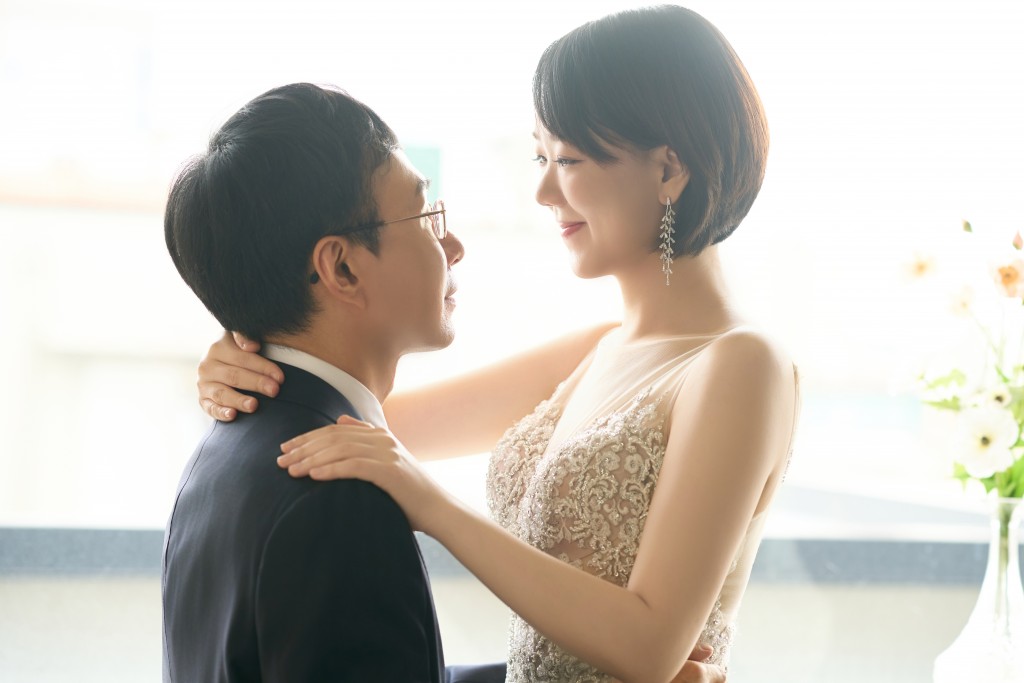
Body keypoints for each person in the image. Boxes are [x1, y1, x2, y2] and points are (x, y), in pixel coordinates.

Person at [198, 5, 796, 682]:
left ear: (668, 170)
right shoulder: (595, 350)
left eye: (567, 159)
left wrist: (431, 504)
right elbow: (353, 426)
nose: (542, 189)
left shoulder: (742, 363)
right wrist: (251, 358)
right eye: (541, 156)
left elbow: (650, 647)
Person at [162, 82, 463, 682]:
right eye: (425, 215)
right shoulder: (340, 496)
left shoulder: (221, 454)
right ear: (341, 267)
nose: (452, 245)